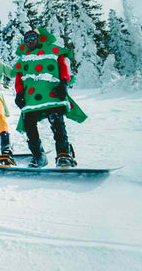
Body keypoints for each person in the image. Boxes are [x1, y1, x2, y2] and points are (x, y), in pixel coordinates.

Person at [13, 27, 87, 168]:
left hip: (53, 95)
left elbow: (63, 67)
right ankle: (38, 156)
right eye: (27, 39)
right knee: (29, 125)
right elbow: (19, 77)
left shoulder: (52, 51)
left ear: (39, 38)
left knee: (57, 123)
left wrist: (63, 83)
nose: (30, 41)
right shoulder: (23, 58)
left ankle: (64, 155)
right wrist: (19, 93)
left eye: (33, 37)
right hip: (31, 99)